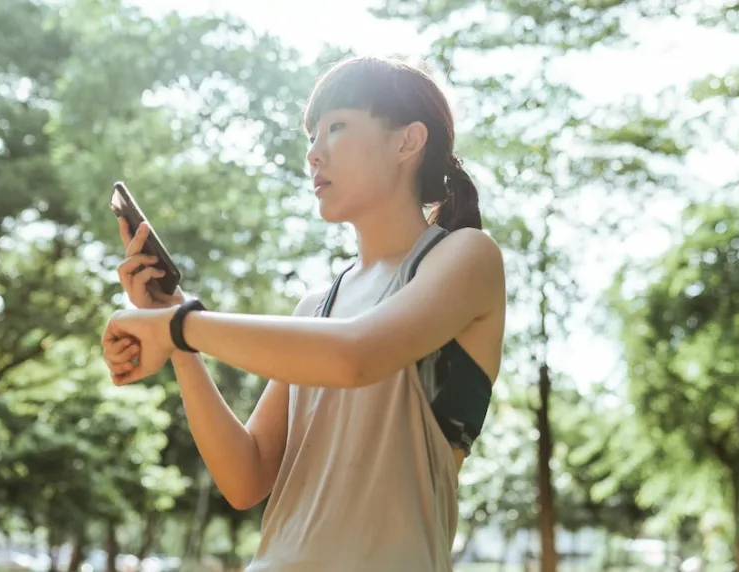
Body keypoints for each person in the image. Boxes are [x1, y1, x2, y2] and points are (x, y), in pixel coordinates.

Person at [102, 55, 507, 571]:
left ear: (408, 141)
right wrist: (180, 339)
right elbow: (246, 479)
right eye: (311, 136)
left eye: (336, 127)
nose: (314, 154)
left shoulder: (465, 257)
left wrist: (180, 326)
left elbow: (356, 356)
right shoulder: (316, 308)